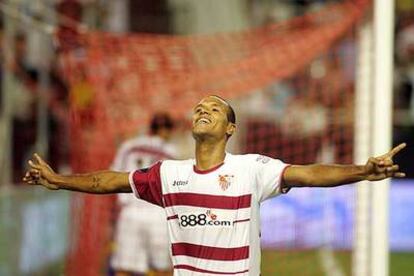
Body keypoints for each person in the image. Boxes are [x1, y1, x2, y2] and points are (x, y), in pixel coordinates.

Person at [24, 95, 406, 276]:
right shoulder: (167, 174)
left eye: (215, 109)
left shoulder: (252, 168)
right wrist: (58, 180)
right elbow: (109, 181)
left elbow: (309, 173)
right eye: (199, 107)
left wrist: (362, 171)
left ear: (230, 129)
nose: (203, 110)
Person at [111, 113, 176, 276]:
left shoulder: (130, 145)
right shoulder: (170, 151)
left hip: (131, 211)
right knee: (161, 267)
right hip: (157, 213)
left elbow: (114, 174)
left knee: (124, 267)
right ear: (167, 131)